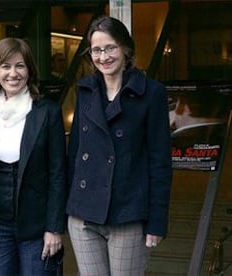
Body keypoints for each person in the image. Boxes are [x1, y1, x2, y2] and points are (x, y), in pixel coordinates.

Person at [66, 15, 172, 275]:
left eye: (110, 47)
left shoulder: (151, 93)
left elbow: (160, 163)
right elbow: (75, 154)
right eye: (96, 50)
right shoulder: (85, 91)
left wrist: (156, 222)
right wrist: (64, 209)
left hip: (127, 214)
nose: (104, 56)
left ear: (126, 48)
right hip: (83, 214)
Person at [0, 37, 67, 276]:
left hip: (37, 227)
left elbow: (58, 174)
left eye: (20, 66)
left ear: (30, 70)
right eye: (6, 66)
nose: (13, 73)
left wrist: (54, 228)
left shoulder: (48, 112)